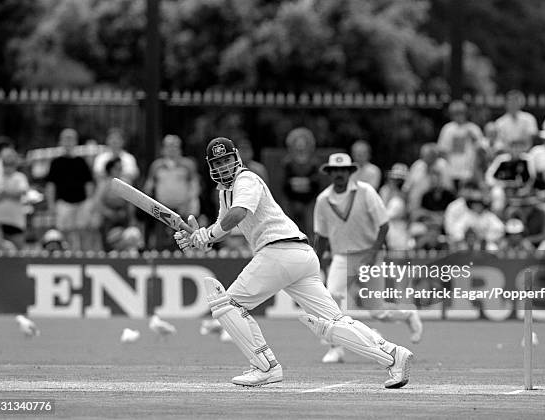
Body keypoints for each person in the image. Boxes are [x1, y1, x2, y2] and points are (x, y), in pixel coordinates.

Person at [173, 138, 414, 388]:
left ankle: (264, 367)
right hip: (299, 255)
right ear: (211, 167)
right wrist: (197, 237)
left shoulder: (246, 180)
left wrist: (207, 235)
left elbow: (239, 214)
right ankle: (394, 356)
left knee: (228, 306)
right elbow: (222, 225)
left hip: (279, 251)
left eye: (227, 160)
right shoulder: (225, 192)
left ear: (237, 159)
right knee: (334, 321)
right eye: (218, 162)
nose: (224, 166)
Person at [313, 153, 422, 364]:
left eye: (343, 170)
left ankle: (408, 314)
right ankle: (336, 349)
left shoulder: (366, 191)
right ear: (329, 173)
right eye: (335, 171)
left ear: (350, 172)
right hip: (342, 257)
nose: (339, 175)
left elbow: (384, 224)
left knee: (378, 311)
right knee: (331, 298)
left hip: (369, 253)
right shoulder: (323, 200)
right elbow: (322, 236)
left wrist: (373, 252)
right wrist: (314, 263)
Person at [143, 135, 201, 250]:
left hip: (182, 209)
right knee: (161, 242)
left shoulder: (188, 164)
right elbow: (148, 187)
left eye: (175, 146)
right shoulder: (156, 165)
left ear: (180, 148)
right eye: (169, 146)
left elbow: (195, 186)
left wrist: (190, 204)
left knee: (184, 243)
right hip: (162, 210)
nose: (172, 149)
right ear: (163, 149)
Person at [44, 128, 96, 251]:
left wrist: (89, 203)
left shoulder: (81, 162)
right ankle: (68, 257)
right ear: (60, 141)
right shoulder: (56, 162)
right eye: (65, 139)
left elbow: (88, 184)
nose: (68, 142)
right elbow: (51, 185)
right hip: (63, 203)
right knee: (64, 233)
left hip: (82, 203)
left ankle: (84, 257)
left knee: (83, 232)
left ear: (76, 142)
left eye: (71, 139)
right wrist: (51, 205)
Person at [0, 147, 29, 249]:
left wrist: (5, 192)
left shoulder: (20, 177)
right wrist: (9, 192)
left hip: (16, 222)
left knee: (18, 253)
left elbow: (20, 193)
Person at [282, 127, 321, 236]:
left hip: (310, 200)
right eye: (298, 145)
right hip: (291, 200)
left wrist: (300, 184)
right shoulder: (287, 163)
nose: (300, 148)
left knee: (311, 224)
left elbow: (316, 184)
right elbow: (285, 185)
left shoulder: (314, 163)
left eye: (303, 145)